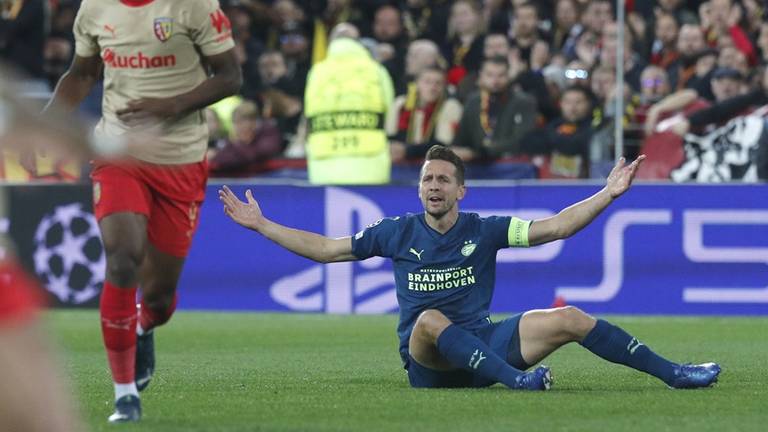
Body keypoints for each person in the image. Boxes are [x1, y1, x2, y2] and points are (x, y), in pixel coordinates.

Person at [218, 145, 721, 391]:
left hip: (484, 345)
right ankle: (517, 382)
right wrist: (263, 225)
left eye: (442, 179)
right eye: (426, 179)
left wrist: (608, 194)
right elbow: (326, 249)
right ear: (419, 189)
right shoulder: (395, 231)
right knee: (429, 320)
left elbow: (557, 227)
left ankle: (673, 373)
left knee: (569, 317)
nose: (432, 186)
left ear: (461, 190)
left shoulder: (484, 228)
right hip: (429, 363)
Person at [45, 0, 242, 423]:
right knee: (121, 259)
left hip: (180, 161)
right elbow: (81, 74)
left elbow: (231, 75)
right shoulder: (94, 8)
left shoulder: (193, 6)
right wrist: (46, 125)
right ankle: (125, 394)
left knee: (159, 297)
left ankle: (143, 324)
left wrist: (171, 106)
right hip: (117, 152)